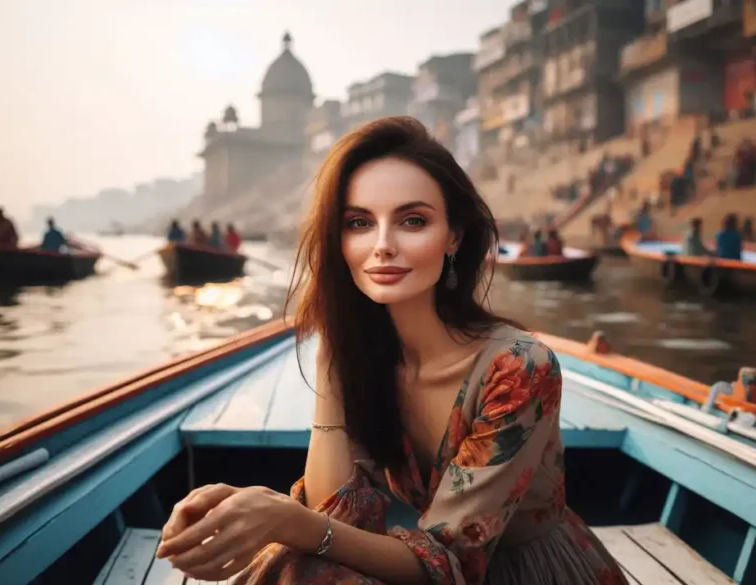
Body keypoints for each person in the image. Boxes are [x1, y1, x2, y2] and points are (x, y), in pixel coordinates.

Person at [154, 116, 625, 584]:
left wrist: (284, 519)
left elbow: (450, 561)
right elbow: (337, 511)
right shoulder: (370, 356)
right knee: (300, 563)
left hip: (531, 574)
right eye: (359, 223)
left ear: (453, 237)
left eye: (412, 221)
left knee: (296, 555)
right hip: (436, 566)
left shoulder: (520, 367)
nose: (382, 246)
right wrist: (331, 359)